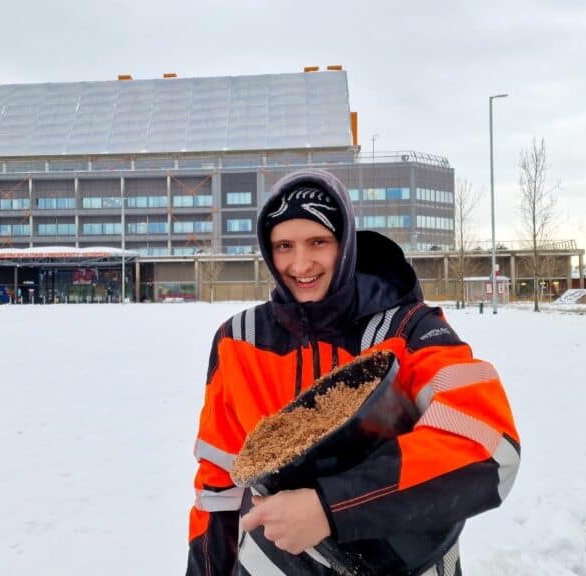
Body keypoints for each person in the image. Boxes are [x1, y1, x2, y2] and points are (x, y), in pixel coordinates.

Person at [186, 169, 520, 575]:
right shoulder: (238, 341)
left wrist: (330, 507)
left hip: (402, 561)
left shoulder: (407, 328)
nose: (301, 263)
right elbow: (217, 489)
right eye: (284, 245)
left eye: (318, 242)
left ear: (344, 245)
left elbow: (487, 444)